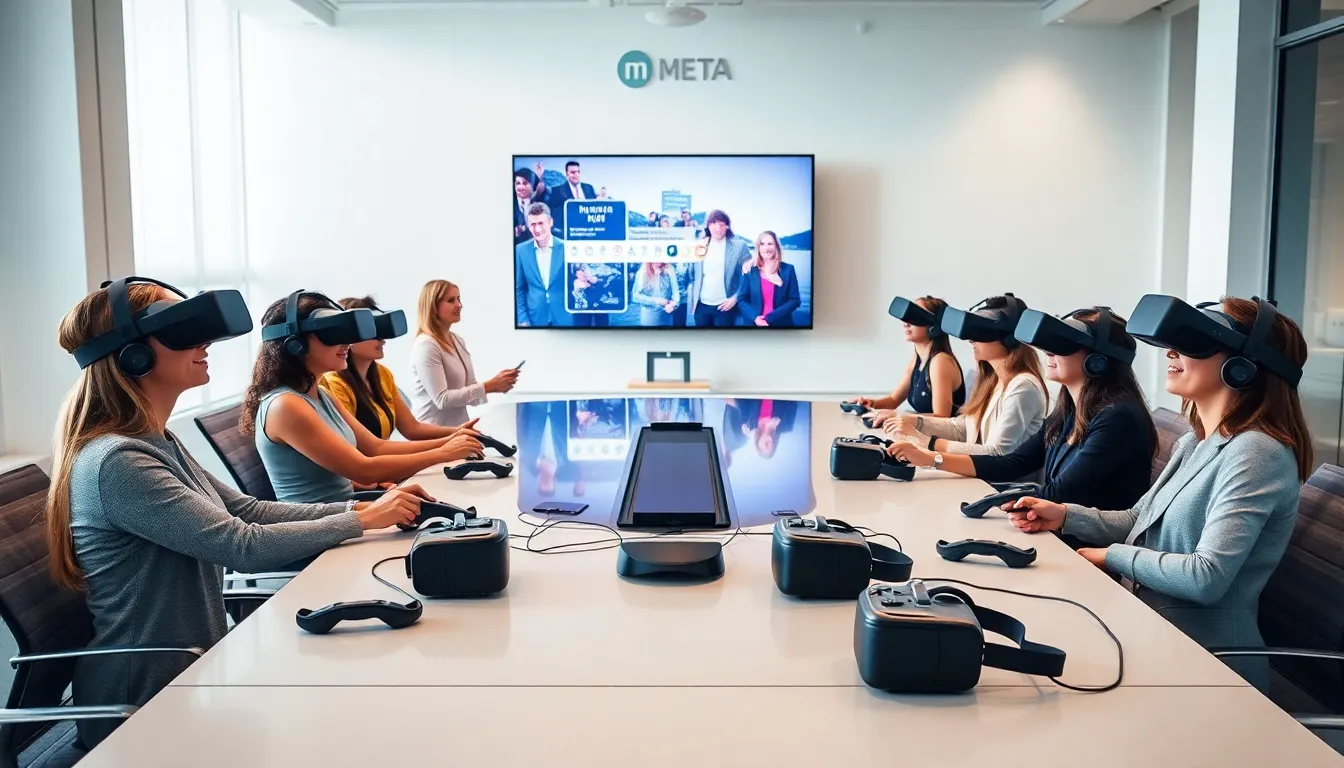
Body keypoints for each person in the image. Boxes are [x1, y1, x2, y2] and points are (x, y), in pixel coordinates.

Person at [48, 278, 429, 749]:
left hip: (196, 670)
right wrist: (362, 520)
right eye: (183, 331)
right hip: (145, 702)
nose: (205, 343)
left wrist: (360, 506)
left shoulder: (157, 442)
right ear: (133, 355)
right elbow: (239, 545)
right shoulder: (117, 461)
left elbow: (246, 510)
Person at [1005, 296, 1311, 691]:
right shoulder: (1196, 442)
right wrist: (1064, 514)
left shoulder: (1257, 452)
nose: (1170, 352)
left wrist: (1112, 556)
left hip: (1205, 665)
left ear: (1244, 366)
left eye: (1192, 344)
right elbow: (1138, 520)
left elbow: (1206, 577)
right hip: (1149, 629)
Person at [887, 307, 1157, 512]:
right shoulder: (1070, 409)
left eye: (1063, 345)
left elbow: (1060, 493)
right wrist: (928, 458)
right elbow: (1012, 462)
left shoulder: (1118, 417)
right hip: (1054, 532)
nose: (1049, 352)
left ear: (1098, 361)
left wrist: (991, 501)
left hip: (1083, 550)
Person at [242, 292, 483, 502]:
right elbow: (363, 469)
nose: (346, 342)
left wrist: (453, 441)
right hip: (317, 540)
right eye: (330, 334)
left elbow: (375, 447)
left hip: (348, 515)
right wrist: (445, 452)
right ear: (295, 344)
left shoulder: (321, 395)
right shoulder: (286, 405)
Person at [882, 296, 1048, 455]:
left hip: (1000, 484)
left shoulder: (1023, 386)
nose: (971, 340)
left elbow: (997, 453)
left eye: (981, 332)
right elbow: (962, 428)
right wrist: (916, 423)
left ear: (1009, 339)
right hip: (978, 477)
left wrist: (927, 442)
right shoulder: (993, 381)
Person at [320, 296, 481, 441]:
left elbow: (412, 429)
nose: (381, 338)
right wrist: (446, 448)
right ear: (349, 337)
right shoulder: (334, 382)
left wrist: (458, 432)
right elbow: (366, 447)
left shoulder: (382, 375)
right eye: (370, 330)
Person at [411, 279, 519, 427]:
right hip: (433, 436)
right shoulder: (426, 345)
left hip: (458, 432)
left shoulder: (457, 340)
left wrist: (497, 385)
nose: (459, 305)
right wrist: (489, 386)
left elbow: (469, 391)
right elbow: (442, 400)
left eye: (459, 299)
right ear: (433, 306)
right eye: (451, 300)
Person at [851, 296, 965, 417]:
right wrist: (870, 404)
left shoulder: (941, 361)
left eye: (914, 317)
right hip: (920, 433)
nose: (906, 323)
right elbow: (894, 400)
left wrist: (900, 417)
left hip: (939, 435)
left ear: (935, 327)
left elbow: (942, 417)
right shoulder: (918, 360)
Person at [688, 209, 754, 327]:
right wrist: (693, 300)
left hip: (726, 307)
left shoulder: (739, 246)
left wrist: (735, 298)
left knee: (723, 343)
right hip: (701, 306)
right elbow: (693, 276)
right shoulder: (699, 245)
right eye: (714, 223)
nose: (718, 227)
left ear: (727, 227)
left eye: (722, 224)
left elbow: (750, 276)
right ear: (708, 225)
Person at [515, 202, 573, 327]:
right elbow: (519, 289)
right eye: (533, 224)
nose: (537, 229)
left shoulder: (567, 248)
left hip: (564, 319)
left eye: (541, 223)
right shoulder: (520, 250)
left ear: (551, 222)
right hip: (534, 319)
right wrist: (523, 320)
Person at [735, 231, 801, 328]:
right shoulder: (750, 270)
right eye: (762, 244)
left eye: (770, 244)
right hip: (753, 323)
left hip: (781, 324)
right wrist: (755, 318)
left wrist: (770, 318)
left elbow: (795, 300)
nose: (766, 248)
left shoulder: (788, 269)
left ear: (776, 247)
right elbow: (742, 300)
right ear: (758, 247)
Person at [632, 262, 680, 327]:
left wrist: (674, 304)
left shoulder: (669, 268)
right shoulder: (643, 272)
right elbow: (635, 296)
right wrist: (656, 300)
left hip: (667, 314)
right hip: (649, 315)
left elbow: (675, 290)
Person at [512, 165, 549, 245]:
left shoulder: (539, 201)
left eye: (525, 183)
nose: (520, 187)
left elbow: (541, 187)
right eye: (518, 183)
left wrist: (540, 177)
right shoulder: (511, 203)